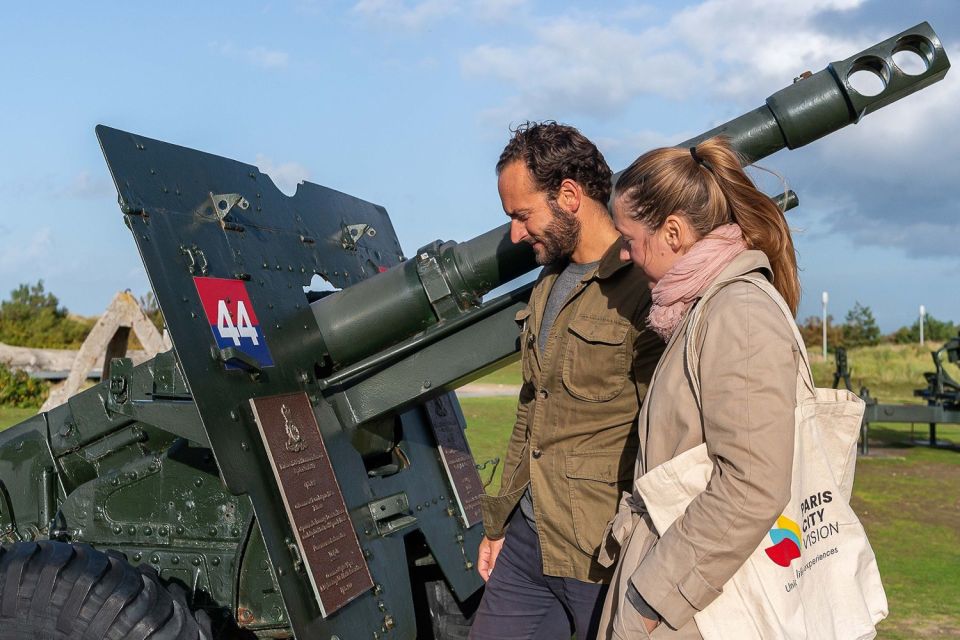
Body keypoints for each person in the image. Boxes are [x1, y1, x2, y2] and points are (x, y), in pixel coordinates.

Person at [599, 136, 801, 638]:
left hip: (694, 606)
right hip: (688, 590)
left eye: (628, 237)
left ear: (672, 232)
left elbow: (752, 485)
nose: (623, 253)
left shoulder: (739, 314)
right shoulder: (700, 309)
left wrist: (650, 600)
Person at [470, 122, 664, 639]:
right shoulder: (548, 284)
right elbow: (532, 408)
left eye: (522, 215)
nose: (515, 234)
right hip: (530, 540)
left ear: (570, 196)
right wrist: (498, 523)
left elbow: (667, 434)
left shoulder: (643, 286)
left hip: (603, 550)